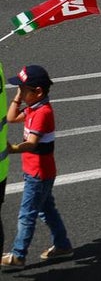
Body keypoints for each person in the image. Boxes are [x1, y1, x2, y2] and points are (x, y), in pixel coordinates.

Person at [0, 66, 71, 269]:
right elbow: (12, 118)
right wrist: (18, 97)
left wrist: (10, 149)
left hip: (39, 173)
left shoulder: (43, 112)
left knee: (27, 214)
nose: (20, 93)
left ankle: (18, 255)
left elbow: (31, 143)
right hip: (36, 171)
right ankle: (63, 244)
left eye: (23, 89)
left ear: (37, 92)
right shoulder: (33, 107)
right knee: (46, 210)